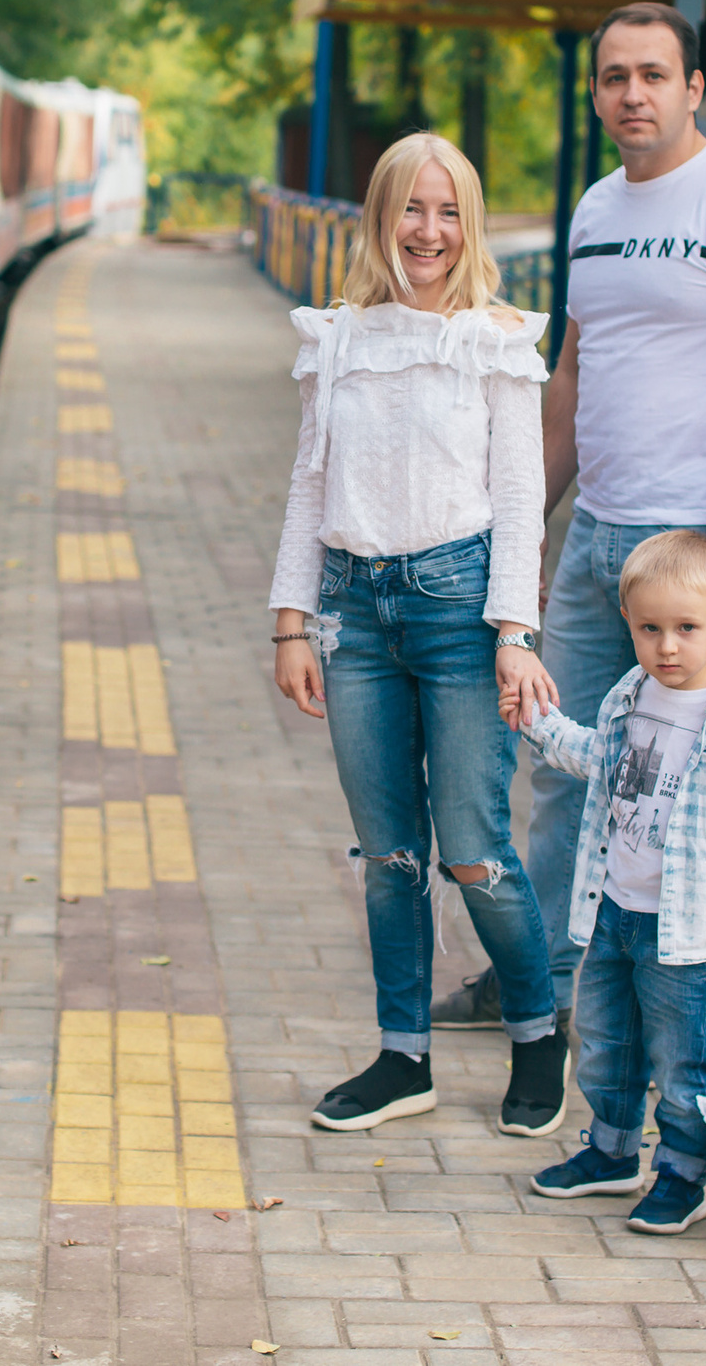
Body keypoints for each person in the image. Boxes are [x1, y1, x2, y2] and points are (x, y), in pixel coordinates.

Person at [431, 2, 706, 1033]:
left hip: (697, 547)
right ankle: (547, 987)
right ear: (596, 91)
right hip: (597, 535)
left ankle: (673, 1008)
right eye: (614, 77)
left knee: (687, 789)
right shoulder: (596, 212)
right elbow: (573, 377)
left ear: (694, 87)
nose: (632, 94)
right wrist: (516, 526)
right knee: (559, 765)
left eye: (653, 74)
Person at [269, 131, 569, 1136]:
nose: (428, 230)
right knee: (389, 855)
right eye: (411, 208)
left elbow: (522, 499)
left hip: (459, 612)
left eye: (447, 212)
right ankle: (404, 1059)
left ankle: (536, 1034)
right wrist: (291, 624)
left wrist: (515, 633)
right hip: (354, 615)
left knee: (476, 852)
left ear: (466, 225)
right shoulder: (338, 337)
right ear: (380, 219)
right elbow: (309, 484)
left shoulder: (493, 341)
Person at [506, 530, 706, 1233]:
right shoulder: (629, 696)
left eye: (687, 628)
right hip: (614, 910)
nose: (668, 646)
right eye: (650, 629)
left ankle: (683, 1175)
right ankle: (611, 1151)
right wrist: (536, 722)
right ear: (629, 626)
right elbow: (593, 759)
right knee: (604, 1039)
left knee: (682, 1058)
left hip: (686, 929)